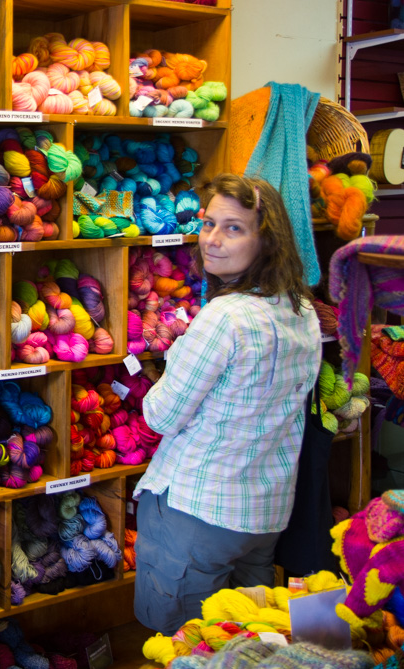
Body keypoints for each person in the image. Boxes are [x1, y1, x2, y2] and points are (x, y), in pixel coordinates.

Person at [133, 174, 322, 634]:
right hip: (264, 514)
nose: (212, 241)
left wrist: (173, 357)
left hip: (199, 512)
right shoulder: (302, 309)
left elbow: (160, 415)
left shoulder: (226, 316)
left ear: (267, 239)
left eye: (234, 228)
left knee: (188, 647)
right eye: (209, 223)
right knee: (250, 641)